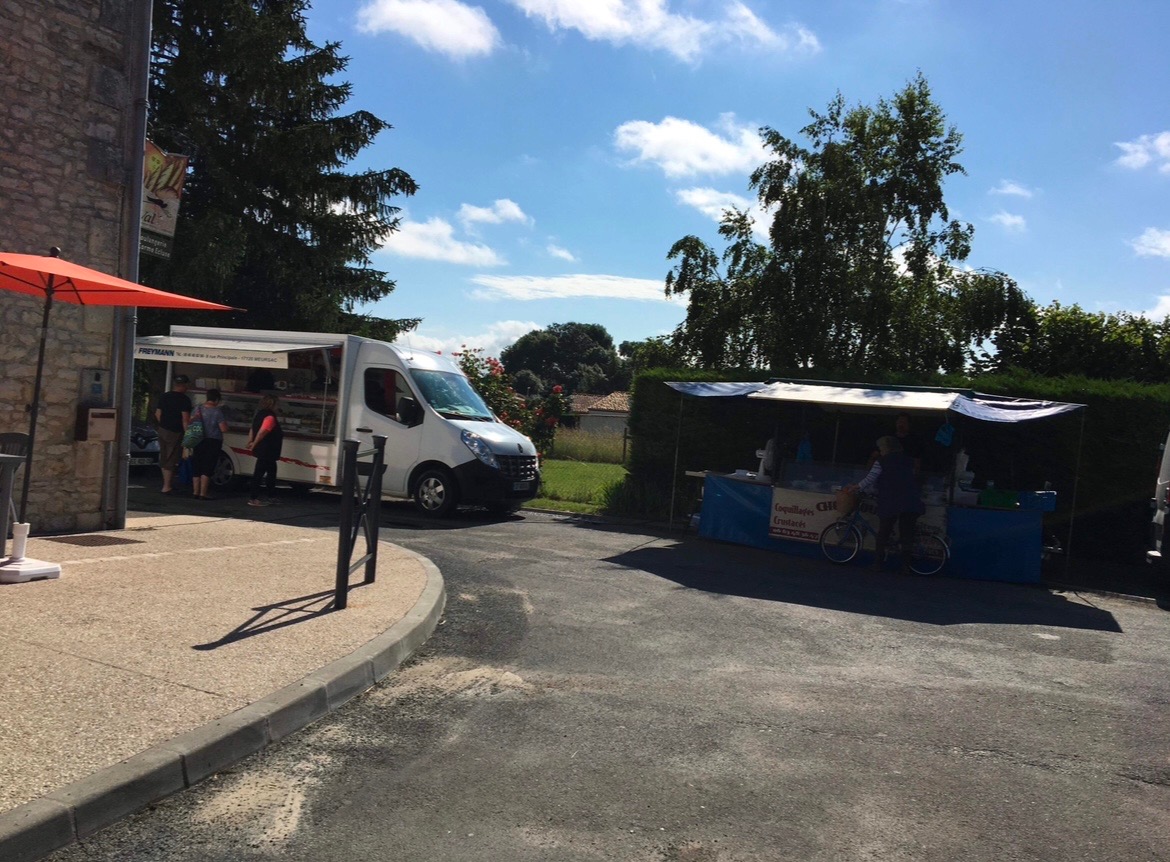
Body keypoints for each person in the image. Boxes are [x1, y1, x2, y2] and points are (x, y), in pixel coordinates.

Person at [848, 436, 925, 573]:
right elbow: (916, 478)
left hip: (891, 501)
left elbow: (870, 479)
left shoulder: (881, 461)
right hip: (911, 500)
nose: (880, 451)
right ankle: (906, 566)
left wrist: (856, 487)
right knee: (907, 534)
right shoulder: (909, 461)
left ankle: (878, 564)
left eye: (881, 448)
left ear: (886, 448)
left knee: (884, 532)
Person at [154, 374, 191, 494]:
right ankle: (166, 486)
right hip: (175, 431)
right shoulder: (184, 399)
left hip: (163, 429)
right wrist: (188, 435)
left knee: (164, 456)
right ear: (185, 385)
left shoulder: (164, 396)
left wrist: (163, 424)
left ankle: (166, 484)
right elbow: (185, 420)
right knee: (171, 458)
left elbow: (158, 414)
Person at [190, 388, 229, 500]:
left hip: (198, 439)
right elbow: (223, 428)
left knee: (197, 465)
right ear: (217, 399)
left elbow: (191, 422)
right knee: (208, 466)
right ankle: (203, 493)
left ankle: (195, 492)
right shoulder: (217, 411)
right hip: (213, 441)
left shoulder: (197, 408)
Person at [246, 395, 284, 507]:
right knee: (259, 473)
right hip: (267, 449)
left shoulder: (259, 414)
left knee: (271, 473)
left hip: (266, 450)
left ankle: (271, 495)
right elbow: (262, 432)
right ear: (272, 405)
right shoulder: (270, 417)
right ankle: (254, 498)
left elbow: (252, 428)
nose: (278, 407)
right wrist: (254, 443)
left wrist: (250, 441)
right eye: (277, 404)